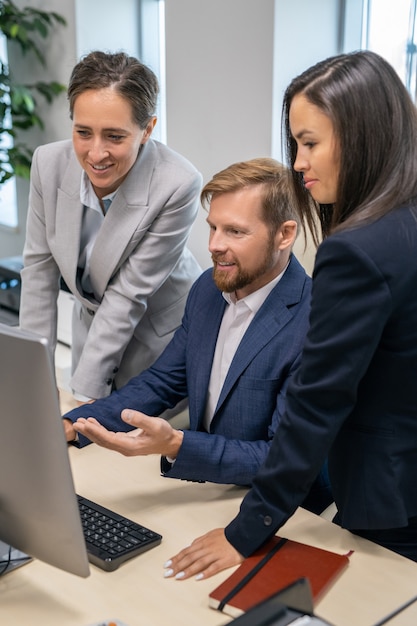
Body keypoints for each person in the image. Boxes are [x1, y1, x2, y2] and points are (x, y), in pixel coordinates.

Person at [163, 50, 417, 581]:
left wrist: (245, 530)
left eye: (310, 144)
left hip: (391, 491)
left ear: (362, 136)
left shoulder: (357, 251)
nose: (298, 162)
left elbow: (315, 406)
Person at [62, 158, 330, 502]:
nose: (214, 245)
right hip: (209, 487)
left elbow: (280, 458)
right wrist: (75, 424)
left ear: (285, 234)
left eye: (235, 231)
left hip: (281, 506)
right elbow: (163, 380)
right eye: (213, 227)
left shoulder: (315, 322)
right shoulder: (208, 289)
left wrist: (177, 444)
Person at [19, 50, 202, 404]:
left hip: (159, 343)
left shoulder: (178, 183)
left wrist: (82, 399)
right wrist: (34, 382)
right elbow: (39, 274)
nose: (96, 153)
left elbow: (127, 296)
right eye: (83, 132)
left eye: (115, 137)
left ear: (147, 129)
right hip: (92, 333)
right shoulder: (48, 163)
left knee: (117, 444)